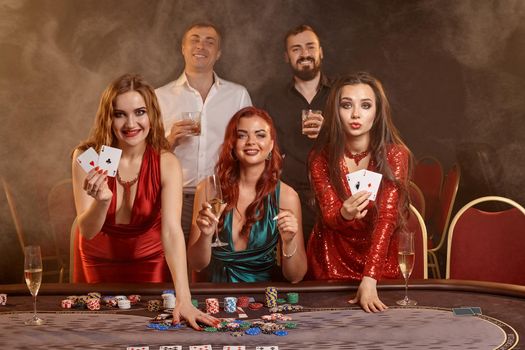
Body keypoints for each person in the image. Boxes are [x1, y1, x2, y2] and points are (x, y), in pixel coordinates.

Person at [71, 74, 218, 329]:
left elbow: (172, 231)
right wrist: (103, 201)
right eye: (120, 114)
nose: (131, 123)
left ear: (151, 114)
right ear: (108, 117)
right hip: (98, 260)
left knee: (151, 329)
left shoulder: (165, 162)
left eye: (139, 112)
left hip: (150, 259)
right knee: (101, 332)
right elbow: (87, 230)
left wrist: (184, 298)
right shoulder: (87, 156)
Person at [307, 72, 412, 313]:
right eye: (346, 105)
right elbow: (330, 217)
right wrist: (343, 214)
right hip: (331, 261)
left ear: (377, 113)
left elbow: (387, 219)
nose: (356, 114)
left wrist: (370, 278)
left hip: (379, 263)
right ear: (335, 111)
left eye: (365, 105)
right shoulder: (319, 158)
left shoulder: (395, 155)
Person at [187, 107, 307, 283]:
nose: (251, 141)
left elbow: (296, 277)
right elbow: (196, 264)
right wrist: (205, 236)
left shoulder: (286, 196)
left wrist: (289, 242)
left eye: (260, 135)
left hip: (263, 299)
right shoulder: (208, 189)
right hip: (215, 294)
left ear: (271, 144)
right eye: (242, 135)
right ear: (233, 144)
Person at [155, 21, 252, 239]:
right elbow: (143, 156)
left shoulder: (238, 95)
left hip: (224, 198)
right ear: (183, 48)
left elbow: (250, 146)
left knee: (216, 267)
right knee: (177, 267)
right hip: (174, 198)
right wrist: (169, 141)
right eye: (195, 40)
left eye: (210, 42)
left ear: (218, 53)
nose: (201, 46)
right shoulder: (159, 97)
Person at [262, 24, 330, 241]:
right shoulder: (273, 100)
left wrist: (328, 128)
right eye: (296, 49)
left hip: (337, 193)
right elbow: (268, 151)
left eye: (310, 47)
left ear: (321, 51)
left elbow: (364, 137)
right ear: (286, 56)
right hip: (291, 198)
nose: (304, 54)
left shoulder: (341, 93)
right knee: (295, 267)